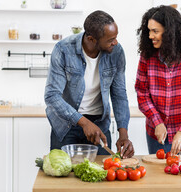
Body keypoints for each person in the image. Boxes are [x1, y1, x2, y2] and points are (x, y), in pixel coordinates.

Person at [45, 10, 134, 158]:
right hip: (66, 125)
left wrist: (123, 134)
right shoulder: (63, 50)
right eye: (110, 39)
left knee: (100, 174)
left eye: (116, 37)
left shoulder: (116, 52)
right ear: (92, 39)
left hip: (99, 124)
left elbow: (119, 94)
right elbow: (52, 96)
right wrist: (84, 123)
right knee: (63, 178)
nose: (115, 42)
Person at [135, 5, 181, 156]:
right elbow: (142, 93)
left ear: (170, 33)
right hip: (158, 134)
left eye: (155, 31)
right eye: (149, 31)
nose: (150, 36)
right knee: (161, 178)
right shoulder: (147, 56)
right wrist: (157, 122)